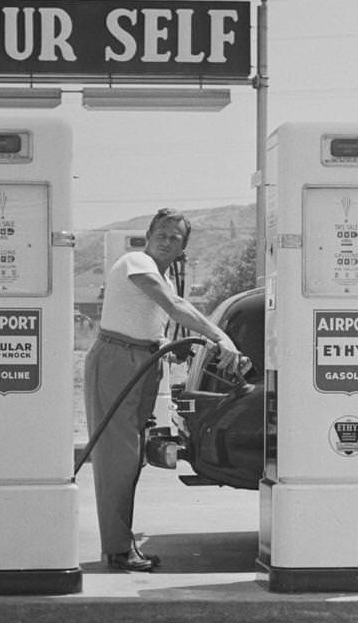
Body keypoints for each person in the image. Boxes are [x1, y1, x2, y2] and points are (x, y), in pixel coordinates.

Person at [84, 208, 245, 571]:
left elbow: (164, 313)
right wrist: (218, 335)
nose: (168, 240)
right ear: (150, 233)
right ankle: (117, 550)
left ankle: (121, 545)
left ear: (182, 248)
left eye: (176, 237)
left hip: (143, 360)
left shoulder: (162, 275)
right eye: (163, 232)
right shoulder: (135, 261)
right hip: (117, 358)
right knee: (118, 456)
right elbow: (174, 307)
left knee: (131, 455)